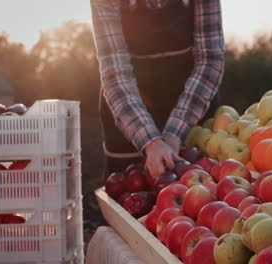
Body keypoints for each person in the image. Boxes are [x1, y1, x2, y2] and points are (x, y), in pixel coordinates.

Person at [90, 0, 225, 178]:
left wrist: (175, 132)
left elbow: (210, 61)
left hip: (193, 107)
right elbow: (116, 75)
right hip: (129, 112)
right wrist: (150, 141)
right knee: (129, 191)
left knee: (200, 194)